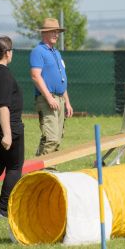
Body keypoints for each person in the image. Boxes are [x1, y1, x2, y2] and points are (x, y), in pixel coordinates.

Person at [30, 18, 73, 156]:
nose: (56, 34)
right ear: (43, 33)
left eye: (57, 32)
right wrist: (49, 98)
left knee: (57, 138)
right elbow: (36, 76)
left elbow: (61, 80)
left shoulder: (56, 53)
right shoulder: (38, 51)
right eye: (52, 32)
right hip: (47, 99)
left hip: (59, 99)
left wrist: (67, 102)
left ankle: (42, 169)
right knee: (51, 138)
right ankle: (45, 171)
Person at [0, 36, 24, 218]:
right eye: (11, 50)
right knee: (14, 167)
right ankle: (4, 210)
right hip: (8, 129)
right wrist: (7, 134)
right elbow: (2, 105)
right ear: (6, 53)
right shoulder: (3, 74)